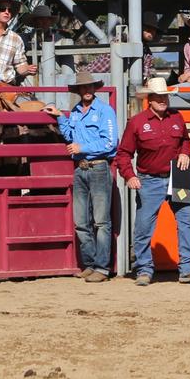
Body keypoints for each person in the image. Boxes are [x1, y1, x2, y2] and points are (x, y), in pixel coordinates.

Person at [116, 77, 190, 286]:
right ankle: (143, 269)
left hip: (178, 176)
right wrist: (129, 175)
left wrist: (185, 153)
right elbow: (123, 153)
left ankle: (188, 267)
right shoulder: (137, 122)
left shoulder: (177, 117)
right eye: (158, 97)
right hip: (149, 179)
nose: (162, 100)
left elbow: (185, 140)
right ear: (149, 99)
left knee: (187, 220)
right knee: (144, 226)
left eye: (165, 97)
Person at [45, 73, 118, 281]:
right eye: (83, 88)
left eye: (89, 87)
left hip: (98, 167)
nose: (86, 91)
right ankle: (91, 263)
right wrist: (60, 116)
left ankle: (102, 268)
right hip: (81, 168)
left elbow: (110, 143)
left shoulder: (105, 111)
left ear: (95, 88)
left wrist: (81, 147)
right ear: (78, 91)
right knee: (81, 221)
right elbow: (70, 136)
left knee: (101, 221)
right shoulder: (76, 112)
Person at [0, 0, 36, 86]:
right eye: (2, 9)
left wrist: (28, 68)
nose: (7, 12)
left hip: (6, 87)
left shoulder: (16, 39)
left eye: (10, 10)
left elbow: (20, 66)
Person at [89, 11, 158, 80]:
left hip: (112, 83)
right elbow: (98, 69)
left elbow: (145, 76)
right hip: (97, 81)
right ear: (140, 27)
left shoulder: (147, 52)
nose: (152, 32)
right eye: (148, 28)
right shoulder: (123, 41)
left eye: (154, 29)